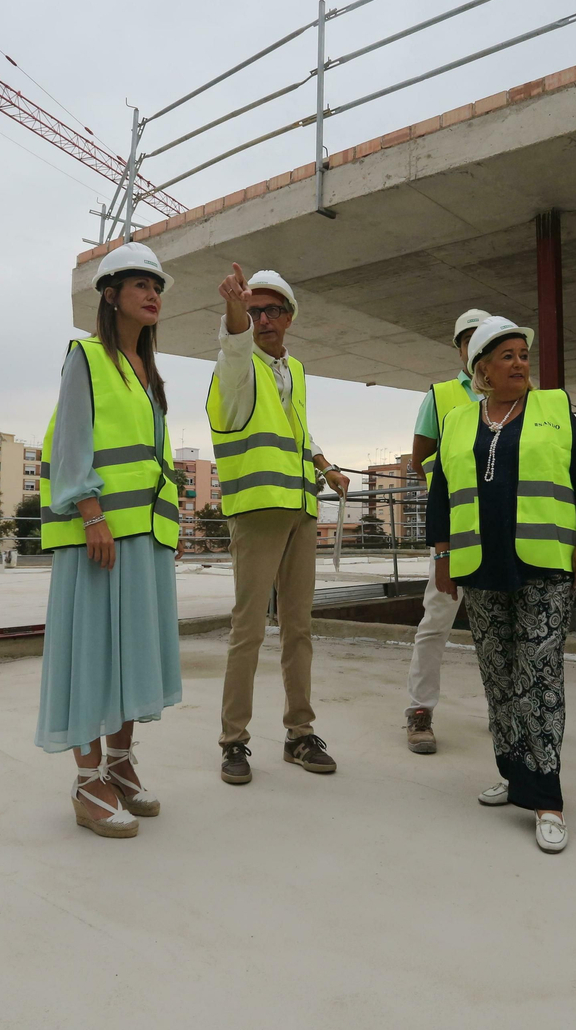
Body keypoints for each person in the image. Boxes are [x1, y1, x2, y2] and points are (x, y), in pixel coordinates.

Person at [427, 316, 576, 854]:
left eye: (523, 354)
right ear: (482, 368)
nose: (521, 363)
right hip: (481, 565)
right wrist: (441, 554)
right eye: (507, 356)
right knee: (498, 672)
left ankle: (547, 797)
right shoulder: (458, 421)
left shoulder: (554, 408)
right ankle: (513, 771)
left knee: (538, 672)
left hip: (544, 563)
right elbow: (441, 491)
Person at [35, 241, 184, 838]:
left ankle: (120, 764)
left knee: (131, 656)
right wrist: (91, 513)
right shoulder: (87, 356)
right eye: (140, 285)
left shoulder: (148, 372)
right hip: (99, 534)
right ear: (109, 294)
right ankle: (87, 779)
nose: (152, 295)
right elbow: (71, 440)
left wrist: (165, 528)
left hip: (144, 537)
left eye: (157, 287)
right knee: (93, 655)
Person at [208, 264, 350, 785]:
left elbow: (298, 430)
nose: (262, 319)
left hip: (300, 510)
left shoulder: (296, 371)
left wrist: (325, 465)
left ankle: (299, 733)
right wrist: (233, 312)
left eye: (271, 310)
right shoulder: (238, 368)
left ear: (289, 317)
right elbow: (234, 348)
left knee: (299, 629)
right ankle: (234, 742)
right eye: (253, 310)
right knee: (248, 630)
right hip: (257, 511)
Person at [403, 307, 490, 754]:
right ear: (459, 347)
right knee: (437, 619)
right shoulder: (439, 397)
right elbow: (421, 462)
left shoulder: (521, 395)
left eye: (482, 338)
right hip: (455, 531)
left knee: (501, 625)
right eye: (467, 339)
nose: (475, 345)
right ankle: (420, 710)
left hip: (504, 530)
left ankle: (506, 709)